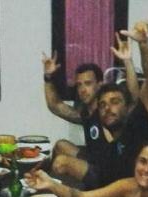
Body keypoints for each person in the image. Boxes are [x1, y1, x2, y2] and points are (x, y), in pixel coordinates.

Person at [84, 17, 148, 189]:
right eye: (102, 105)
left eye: (115, 102)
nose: (107, 108)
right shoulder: (112, 145)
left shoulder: (139, 125)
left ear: (129, 107)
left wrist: (144, 43)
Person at [42, 33, 138, 187]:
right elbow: (55, 106)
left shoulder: (108, 112)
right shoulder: (86, 112)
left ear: (99, 84)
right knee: (61, 146)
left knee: (61, 162)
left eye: (88, 83)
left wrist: (127, 61)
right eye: (79, 85)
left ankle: (59, 193)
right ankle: (41, 181)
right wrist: (48, 77)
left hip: (109, 174)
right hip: (93, 160)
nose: (82, 89)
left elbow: (133, 99)